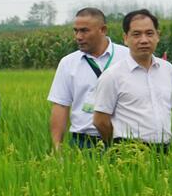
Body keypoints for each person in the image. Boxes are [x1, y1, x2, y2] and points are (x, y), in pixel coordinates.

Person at [92, 9, 172, 151]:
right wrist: (118, 146)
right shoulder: (112, 75)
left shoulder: (168, 70)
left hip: (164, 149)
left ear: (158, 36)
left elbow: (168, 108)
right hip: (129, 151)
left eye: (149, 33)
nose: (144, 40)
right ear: (126, 38)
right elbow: (100, 120)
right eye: (136, 34)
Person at [48, 8, 131, 149]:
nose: (78, 36)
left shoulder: (127, 57)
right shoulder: (68, 63)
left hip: (124, 141)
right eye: (76, 31)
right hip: (83, 143)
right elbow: (61, 106)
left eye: (84, 31)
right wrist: (57, 147)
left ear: (103, 30)